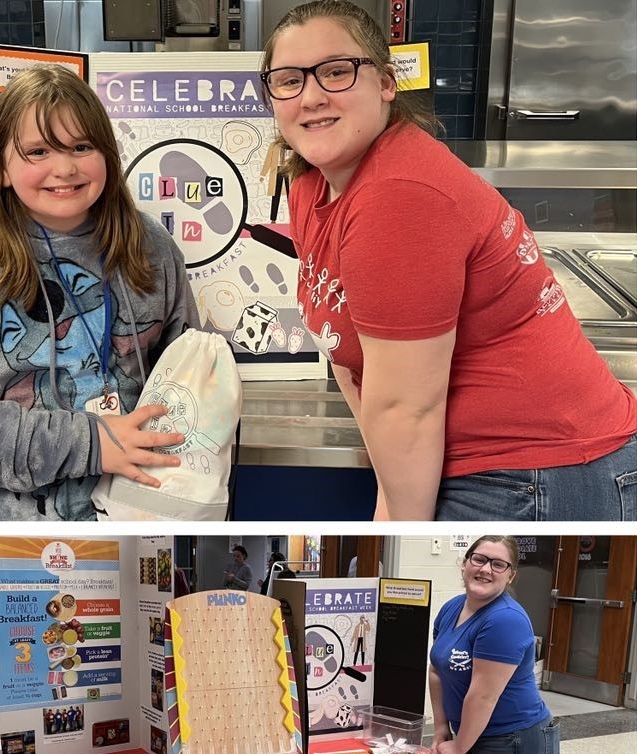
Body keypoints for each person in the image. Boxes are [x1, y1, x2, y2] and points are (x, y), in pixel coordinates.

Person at [260, 1, 636, 521]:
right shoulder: (310, 186)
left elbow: (406, 410)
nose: (312, 95)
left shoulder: (400, 194)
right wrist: (388, 501)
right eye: (288, 80)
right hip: (481, 464)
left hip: (541, 473)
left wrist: (395, 527)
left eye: (336, 71)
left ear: (386, 84)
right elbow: (351, 359)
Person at [0, 65, 198, 520]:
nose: (64, 168)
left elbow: (188, 384)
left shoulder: (152, 248)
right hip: (8, 545)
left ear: (107, 155)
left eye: (82, 146)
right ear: (2, 166)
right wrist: (92, 442)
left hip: (134, 523)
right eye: (38, 151)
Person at [429, 536, 559, 754]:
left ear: (511, 576)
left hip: (512, 738)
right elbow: (436, 670)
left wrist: (460, 747)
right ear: (464, 564)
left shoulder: (505, 620)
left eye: (498, 564)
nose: (486, 569)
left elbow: (483, 696)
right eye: (479, 559)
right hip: (472, 733)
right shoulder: (451, 607)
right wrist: (441, 727)